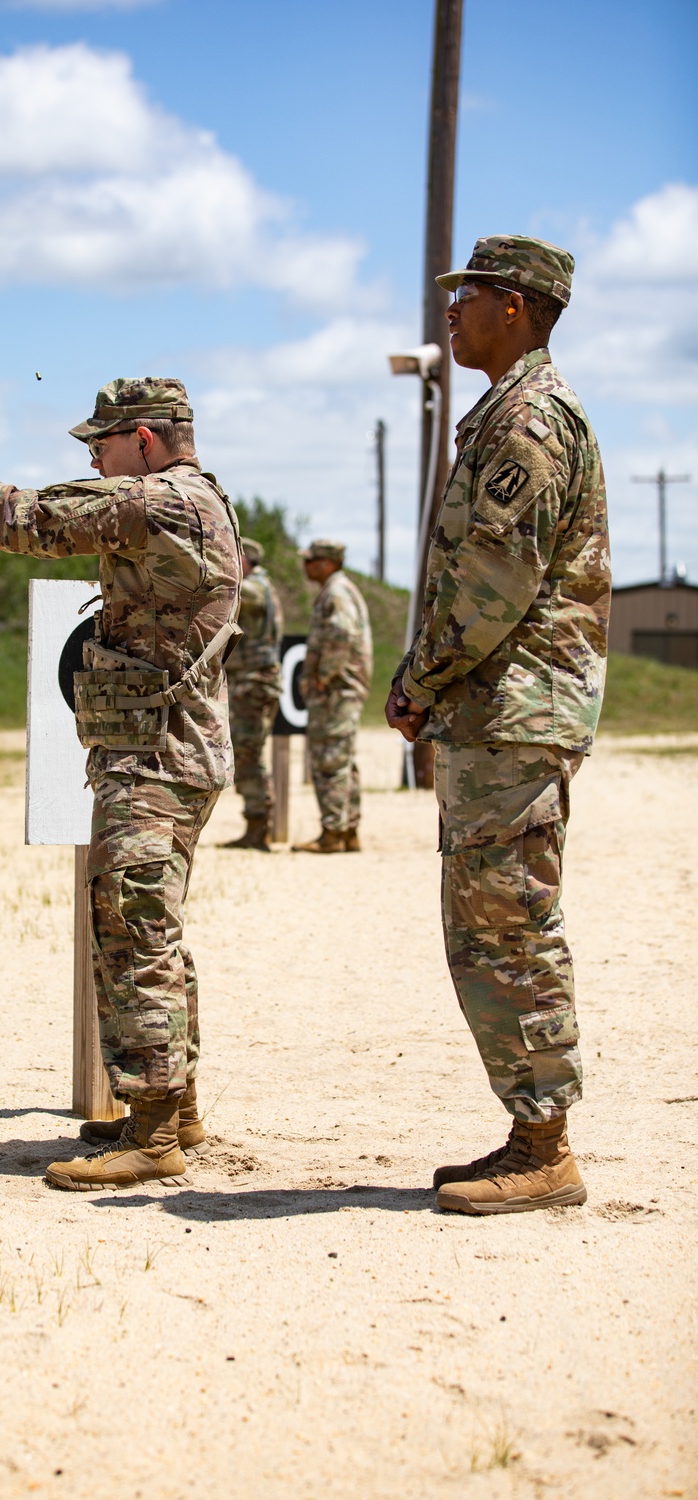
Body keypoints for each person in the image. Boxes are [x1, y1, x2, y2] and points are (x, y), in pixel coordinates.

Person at [0, 377, 242, 1191]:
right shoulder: (187, 499)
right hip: (163, 747)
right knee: (150, 923)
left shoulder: (162, 500)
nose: (90, 459)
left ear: (144, 440)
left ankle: (153, 1133)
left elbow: (39, 519)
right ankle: (171, 1107)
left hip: (156, 753)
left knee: (134, 929)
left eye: (100, 445)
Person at [385, 235, 611, 1215]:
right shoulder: (507, 408)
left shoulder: (527, 418)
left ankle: (545, 1148)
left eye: (466, 294)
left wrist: (421, 679)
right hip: (503, 710)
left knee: (507, 925)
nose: (449, 309)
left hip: (515, 708)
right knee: (487, 926)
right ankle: (528, 1131)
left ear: (513, 306)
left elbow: (493, 580)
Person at [293, 539, 372, 853]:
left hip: (337, 690)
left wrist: (324, 676)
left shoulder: (336, 593)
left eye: (311, 560)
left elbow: (341, 634)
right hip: (342, 689)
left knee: (330, 761)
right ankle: (348, 830)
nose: (306, 566)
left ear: (327, 563)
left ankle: (333, 833)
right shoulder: (338, 589)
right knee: (342, 759)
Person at [221, 537, 284, 851]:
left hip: (254, 683)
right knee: (247, 752)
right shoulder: (261, 587)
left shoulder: (256, 589)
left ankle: (259, 826)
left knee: (248, 753)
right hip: (251, 682)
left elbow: (236, 593)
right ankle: (257, 825)